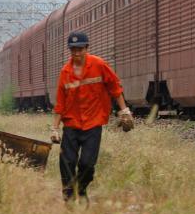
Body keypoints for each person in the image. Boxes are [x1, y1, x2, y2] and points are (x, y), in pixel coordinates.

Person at [51, 32, 133, 203]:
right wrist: (55, 128)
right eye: (73, 49)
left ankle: (80, 189)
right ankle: (69, 196)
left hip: (93, 124)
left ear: (87, 48)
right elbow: (60, 103)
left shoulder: (99, 65)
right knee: (67, 162)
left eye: (80, 49)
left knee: (87, 164)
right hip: (72, 124)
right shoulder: (65, 72)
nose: (76, 53)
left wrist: (124, 110)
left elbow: (115, 88)